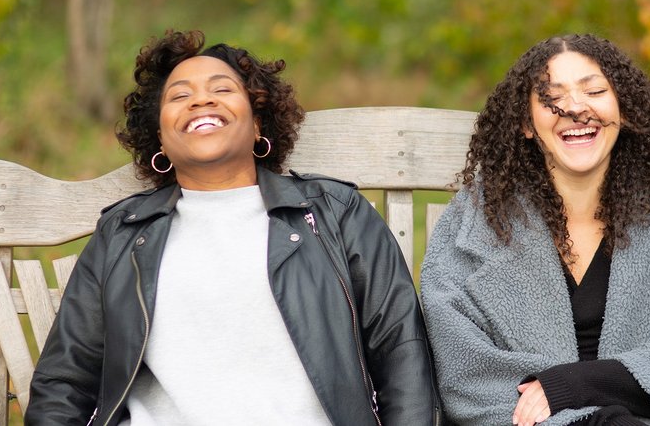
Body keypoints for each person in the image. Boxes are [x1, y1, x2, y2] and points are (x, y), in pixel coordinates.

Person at [25, 30, 441, 426]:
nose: (200, 100)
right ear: (161, 141)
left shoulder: (335, 213)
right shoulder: (122, 232)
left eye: (222, 89)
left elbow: (400, 350)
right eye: (180, 96)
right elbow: (65, 379)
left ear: (258, 123)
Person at [420, 34, 650, 425]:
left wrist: (582, 383)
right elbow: (463, 371)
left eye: (594, 91)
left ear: (625, 111)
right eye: (552, 97)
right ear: (526, 124)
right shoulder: (475, 222)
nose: (575, 108)